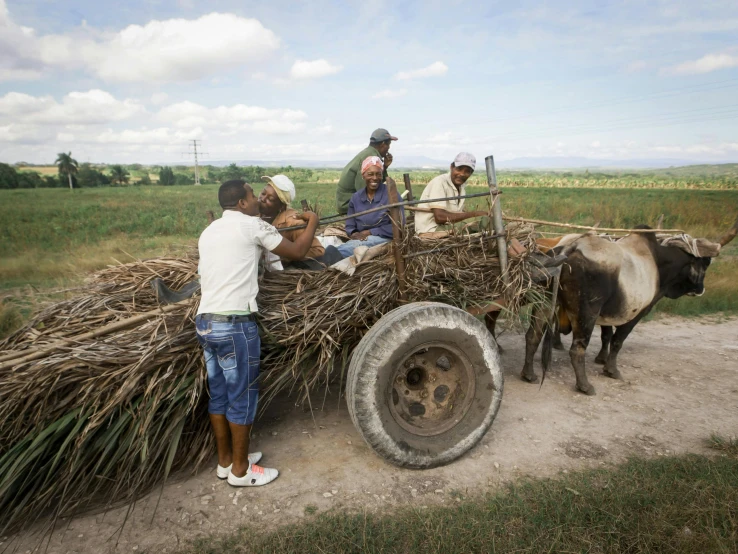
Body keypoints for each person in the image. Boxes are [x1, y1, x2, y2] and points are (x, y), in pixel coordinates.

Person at [195, 179, 319, 487]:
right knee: (242, 397)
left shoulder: (209, 231)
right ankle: (241, 471)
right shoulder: (252, 226)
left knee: (220, 395)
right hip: (234, 324)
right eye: (252, 196)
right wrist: (313, 220)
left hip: (205, 323)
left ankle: (226, 462)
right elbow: (299, 250)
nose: (256, 200)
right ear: (241, 203)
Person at [258, 174, 343, 269]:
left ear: (281, 207)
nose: (263, 199)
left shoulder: (292, 223)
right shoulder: (256, 215)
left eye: (270, 199)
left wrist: (287, 256)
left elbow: (318, 250)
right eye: (263, 193)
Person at [337, 156, 403, 258]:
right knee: (348, 245)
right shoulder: (356, 197)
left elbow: (399, 225)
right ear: (363, 175)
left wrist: (370, 232)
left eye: (378, 174)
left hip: (384, 238)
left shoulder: (391, 195)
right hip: (360, 238)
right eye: (370, 174)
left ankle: (329, 258)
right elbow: (350, 224)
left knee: (351, 248)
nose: (375, 178)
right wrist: (354, 233)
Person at [414, 152, 488, 235]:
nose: (462, 174)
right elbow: (439, 217)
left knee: (484, 224)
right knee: (470, 227)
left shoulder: (461, 188)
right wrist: (474, 214)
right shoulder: (440, 182)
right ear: (451, 167)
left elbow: (456, 214)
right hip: (430, 230)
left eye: (467, 171)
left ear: (471, 173)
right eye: (459, 169)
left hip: (446, 227)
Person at [336, 128, 397, 214]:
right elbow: (363, 189)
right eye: (389, 145)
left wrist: (385, 166)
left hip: (347, 200)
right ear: (383, 144)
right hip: (347, 203)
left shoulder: (370, 153)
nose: (388, 149)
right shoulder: (371, 157)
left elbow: (375, 181)